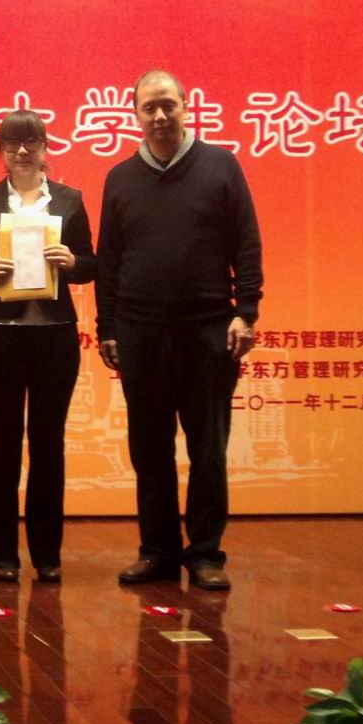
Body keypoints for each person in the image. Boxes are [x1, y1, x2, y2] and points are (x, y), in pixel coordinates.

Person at [96, 69, 262, 591]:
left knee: (208, 447)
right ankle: (158, 552)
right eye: (149, 107)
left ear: (187, 107)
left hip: (208, 330)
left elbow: (247, 243)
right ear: (136, 115)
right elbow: (109, 259)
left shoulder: (221, 166)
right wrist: (107, 326)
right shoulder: (120, 178)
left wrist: (246, 311)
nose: (160, 115)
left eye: (168, 104)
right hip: (140, 331)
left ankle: (206, 554)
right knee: (150, 448)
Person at [0, 110, 95, 584]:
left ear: (45, 147)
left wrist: (72, 261)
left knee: (49, 443)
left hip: (55, 334)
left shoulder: (70, 200)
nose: (22, 151)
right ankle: (3, 556)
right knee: (2, 442)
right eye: (12, 143)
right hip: (0, 333)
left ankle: (47, 554)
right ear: (1, 151)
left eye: (31, 142)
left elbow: (92, 263)